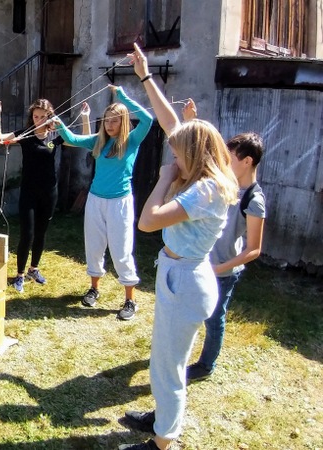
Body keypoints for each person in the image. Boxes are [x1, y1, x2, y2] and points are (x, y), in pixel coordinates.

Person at [119, 43, 239, 450]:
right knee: (164, 358)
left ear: (192, 155)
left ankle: (163, 441)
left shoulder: (205, 190)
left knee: (169, 367)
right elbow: (172, 125)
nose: (173, 156)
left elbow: (147, 221)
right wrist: (145, 76)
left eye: (177, 153)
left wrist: (164, 178)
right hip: (181, 275)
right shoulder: (205, 178)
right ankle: (162, 419)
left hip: (185, 281)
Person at [53, 84, 154, 320]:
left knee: (121, 250)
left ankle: (130, 299)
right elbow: (71, 138)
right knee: (94, 246)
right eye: (107, 120)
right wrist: (59, 124)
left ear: (123, 122)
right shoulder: (98, 141)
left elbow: (148, 119)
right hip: (95, 200)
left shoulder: (132, 141)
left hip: (120, 202)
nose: (109, 124)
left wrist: (122, 96)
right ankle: (94, 288)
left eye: (114, 121)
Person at [187, 131, 267, 382]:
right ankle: (181, 351)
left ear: (247, 161)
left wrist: (220, 268)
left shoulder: (254, 200)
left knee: (213, 318)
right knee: (191, 311)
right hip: (201, 262)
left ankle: (206, 365)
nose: (224, 162)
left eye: (230, 158)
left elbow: (253, 249)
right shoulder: (223, 184)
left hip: (222, 272)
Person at [0, 99, 64, 293]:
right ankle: (20, 274)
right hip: (29, 192)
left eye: (42, 116)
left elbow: (82, 140)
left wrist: (81, 119)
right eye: (35, 116)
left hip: (49, 192)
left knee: (41, 233)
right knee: (27, 234)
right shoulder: (25, 135)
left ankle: (34, 269)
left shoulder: (56, 135)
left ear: (49, 116)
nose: (38, 120)